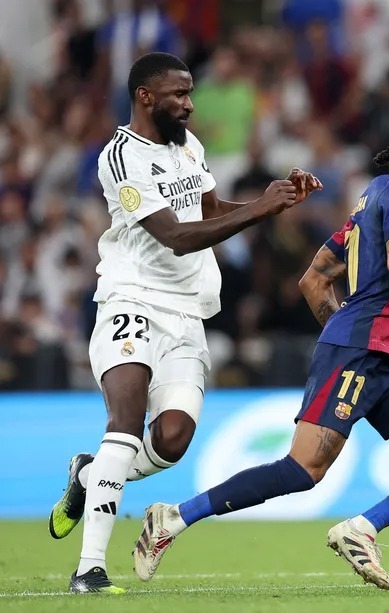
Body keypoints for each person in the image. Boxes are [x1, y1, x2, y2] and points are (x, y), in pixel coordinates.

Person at [132, 128, 389, 591]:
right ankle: (174, 517)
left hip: (383, 358)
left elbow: (313, 281)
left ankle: (362, 529)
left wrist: (342, 333)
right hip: (362, 353)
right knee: (302, 470)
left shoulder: (365, 209)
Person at [49, 52, 321, 594]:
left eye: (190, 92)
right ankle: (89, 569)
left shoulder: (187, 146)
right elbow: (175, 235)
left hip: (186, 309)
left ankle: (88, 474)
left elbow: (209, 210)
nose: (190, 104)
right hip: (132, 299)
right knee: (125, 425)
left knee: (172, 440)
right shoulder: (121, 157)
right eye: (179, 94)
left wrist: (273, 201)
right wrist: (260, 210)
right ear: (145, 96)